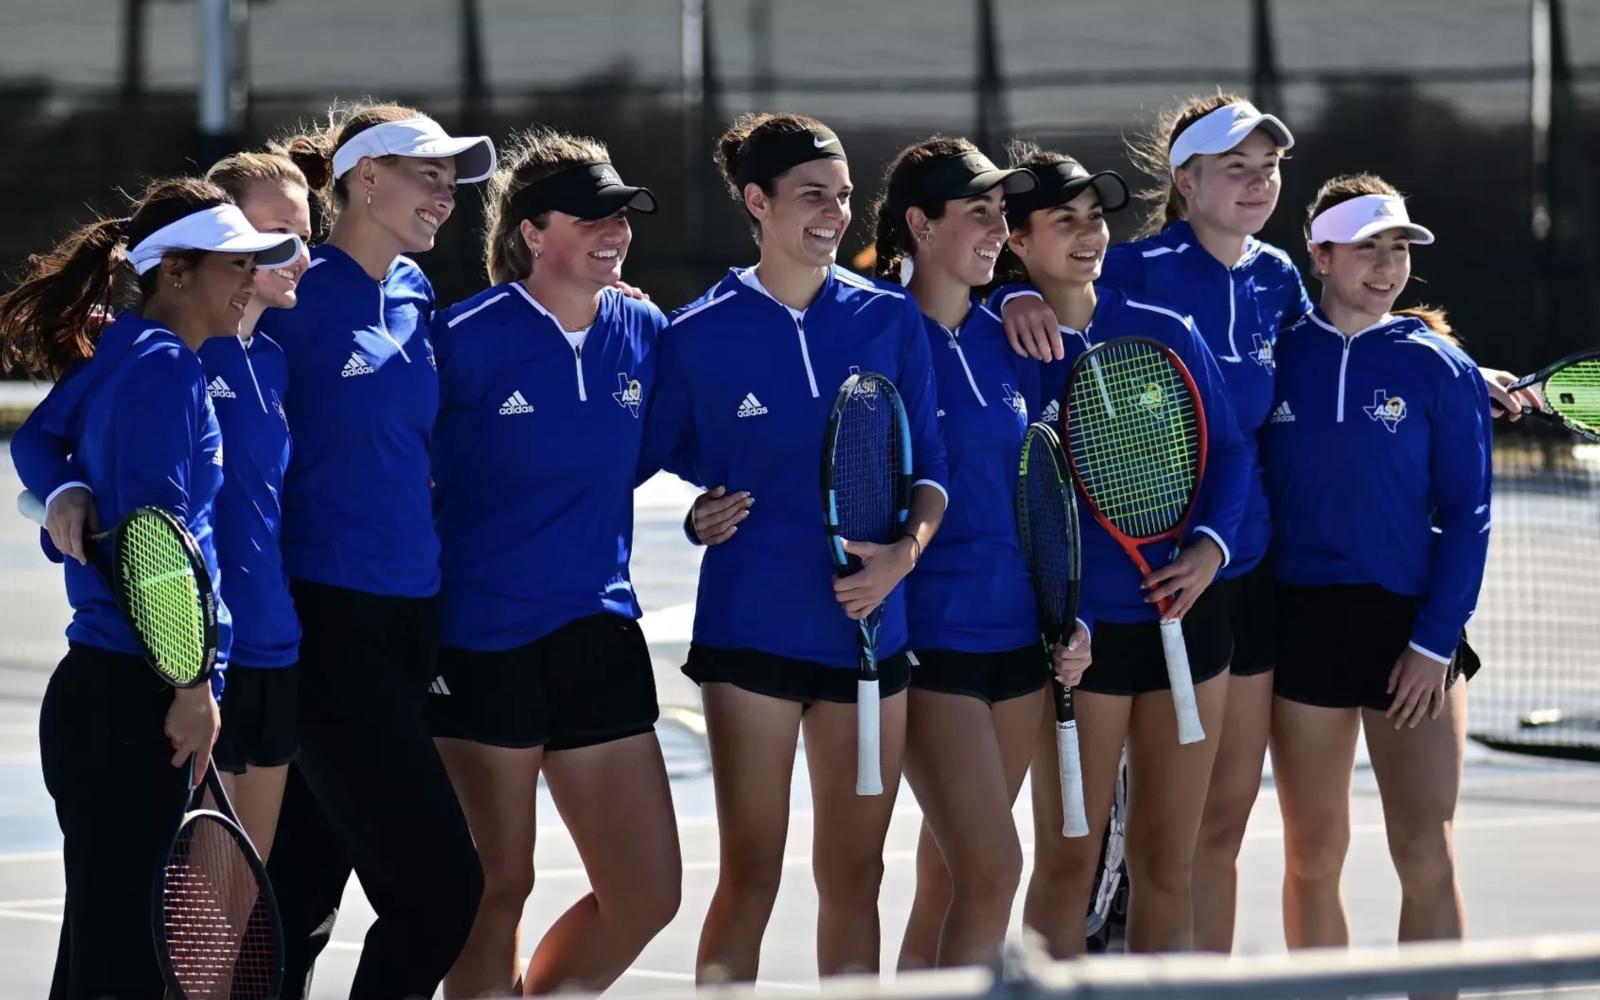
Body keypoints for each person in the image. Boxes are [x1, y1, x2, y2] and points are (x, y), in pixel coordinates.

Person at [645, 111, 948, 983]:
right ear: (756, 200)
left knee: (856, 876)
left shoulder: (891, 319)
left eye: (845, 196)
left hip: (870, 642)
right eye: (813, 194)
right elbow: (663, 453)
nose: (835, 212)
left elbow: (930, 470)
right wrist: (700, 513)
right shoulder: (696, 333)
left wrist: (903, 556)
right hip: (752, 640)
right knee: (752, 874)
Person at [1, 176, 300, 999]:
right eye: (233, 264)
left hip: (103, 694)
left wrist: (61, 490)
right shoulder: (165, 370)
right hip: (141, 696)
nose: (249, 279)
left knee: (104, 950)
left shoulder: (128, 348)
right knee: (123, 961)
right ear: (176, 272)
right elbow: (155, 552)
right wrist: (193, 686)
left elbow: (37, 444)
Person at [426, 126, 679, 997]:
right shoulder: (458, 338)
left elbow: (678, 445)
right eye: (592, 216)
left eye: (622, 216)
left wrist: (718, 507)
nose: (615, 230)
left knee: (647, 893)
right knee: (496, 889)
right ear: (533, 232)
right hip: (480, 642)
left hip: (599, 633)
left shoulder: (644, 327)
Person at [990, 141, 1252, 955]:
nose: (1087, 235)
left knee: (1167, 865)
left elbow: (1233, 453)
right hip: (1079, 640)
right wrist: (1005, 300)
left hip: (1188, 623)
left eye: (1096, 219)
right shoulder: (999, 345)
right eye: (1062, 222)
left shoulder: (1162, 328)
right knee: (1067, 866)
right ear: (1016, 241)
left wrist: (1209, 550)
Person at [262, 102, 495, 999]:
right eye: (426, 174)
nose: (445, 195)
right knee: (441, 893)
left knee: (302, 894)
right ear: (365, 178)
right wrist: (69, 489)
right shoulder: (286, 290)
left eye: (451, 180)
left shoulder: (414, 294)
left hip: (411, 620)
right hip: (322, 624)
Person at [854, 136, 1089, 970]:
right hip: (929, 644)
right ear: (919, 224)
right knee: (995, 869)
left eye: (1002, 214)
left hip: (1019, 644)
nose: (996, 229)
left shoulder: (1017, 338)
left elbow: (1050, 489)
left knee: (951, 881)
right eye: (977, 213)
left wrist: (1073, 616)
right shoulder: (871, 328)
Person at [1263, 174, 1489, 957]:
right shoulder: (1276, 353)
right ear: (1319, 254)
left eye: (1398, 248)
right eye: (1367, 247)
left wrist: (1432, 645)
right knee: (1313, 856)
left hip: (1412, 631)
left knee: (1424, 854)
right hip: (1303, 627)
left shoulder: (1441, 367)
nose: (1387, 266)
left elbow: (1469, 516)